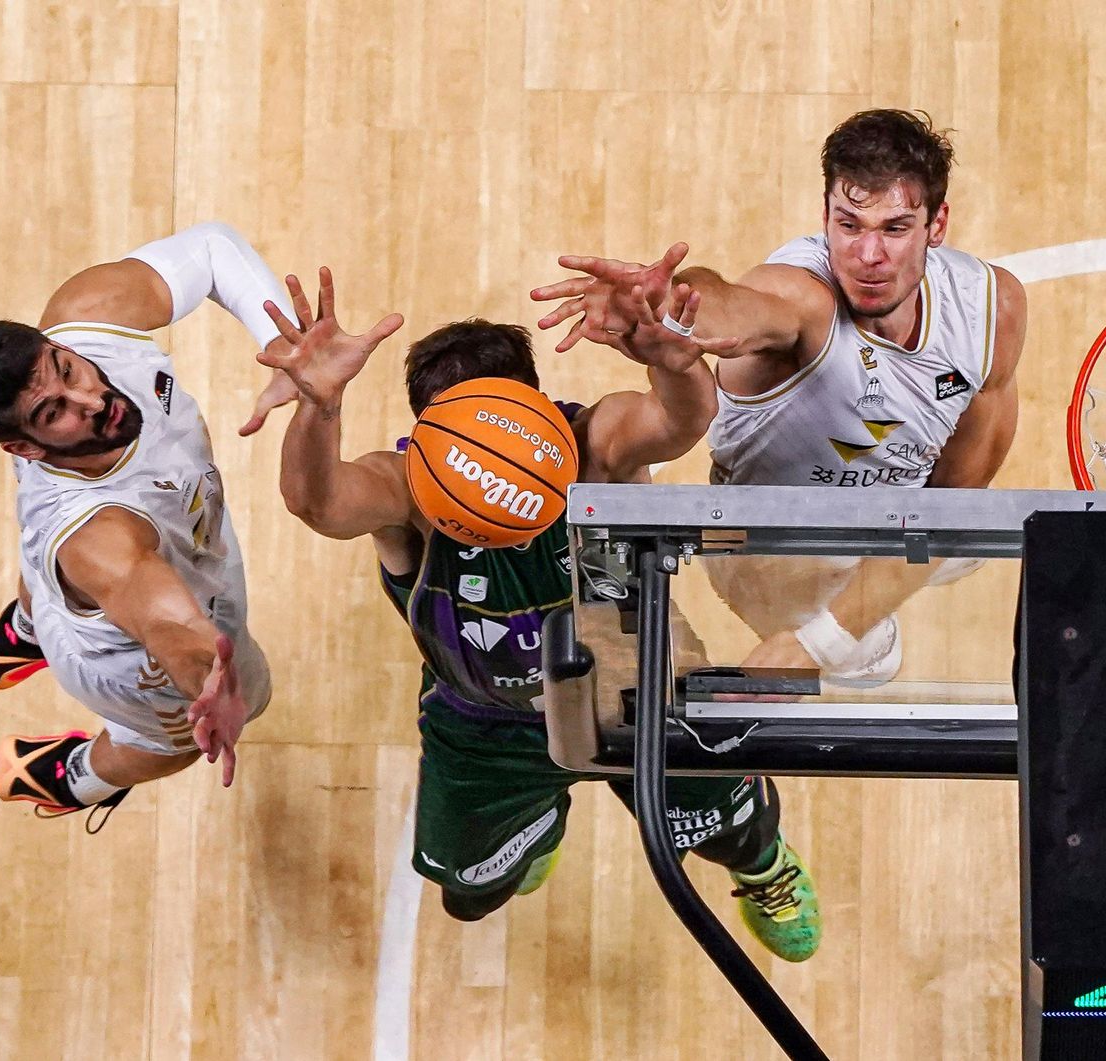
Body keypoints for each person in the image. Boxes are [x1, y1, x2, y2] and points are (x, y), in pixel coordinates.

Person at [261, 267, 821, 962]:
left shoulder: (597, 445)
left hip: (640, 695)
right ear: (426, 437)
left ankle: (764, 871)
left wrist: (675, 364)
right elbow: (317, 502)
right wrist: (318, 407)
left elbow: (680, 419)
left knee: (734, 831)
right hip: (490, 729)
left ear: (539, 409)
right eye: (460, 438)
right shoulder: (409, 490)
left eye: (501, 426)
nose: (487, 458)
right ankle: (539, 822)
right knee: (471, 894)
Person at [529, 108, 1027, 686]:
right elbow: (731, 303)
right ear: (824, 217)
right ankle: (859, 633)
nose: (868, 255)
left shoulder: (991, 307)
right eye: (848, 225)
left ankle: (873, 602)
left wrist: (850, 614)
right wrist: (671, 305)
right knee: (866, 664)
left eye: (895, 229)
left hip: (900, 513)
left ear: (937, 225)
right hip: (775, 556)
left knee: (978, 548)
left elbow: (957, 499)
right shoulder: (801, 296)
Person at [0, 222, 299, 825]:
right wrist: (212, 678)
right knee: (180, 738)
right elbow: (168, 620)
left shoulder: (85, 317)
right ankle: (71, 778)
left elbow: (212, 249)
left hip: (65, 573)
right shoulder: (94, 538)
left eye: (66, 369)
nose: (91, 400)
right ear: (24, 448)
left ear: (55, 343)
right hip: (125, 663)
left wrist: (284, 349)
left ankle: (24, 630)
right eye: (54, 412)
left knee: (42, 566)